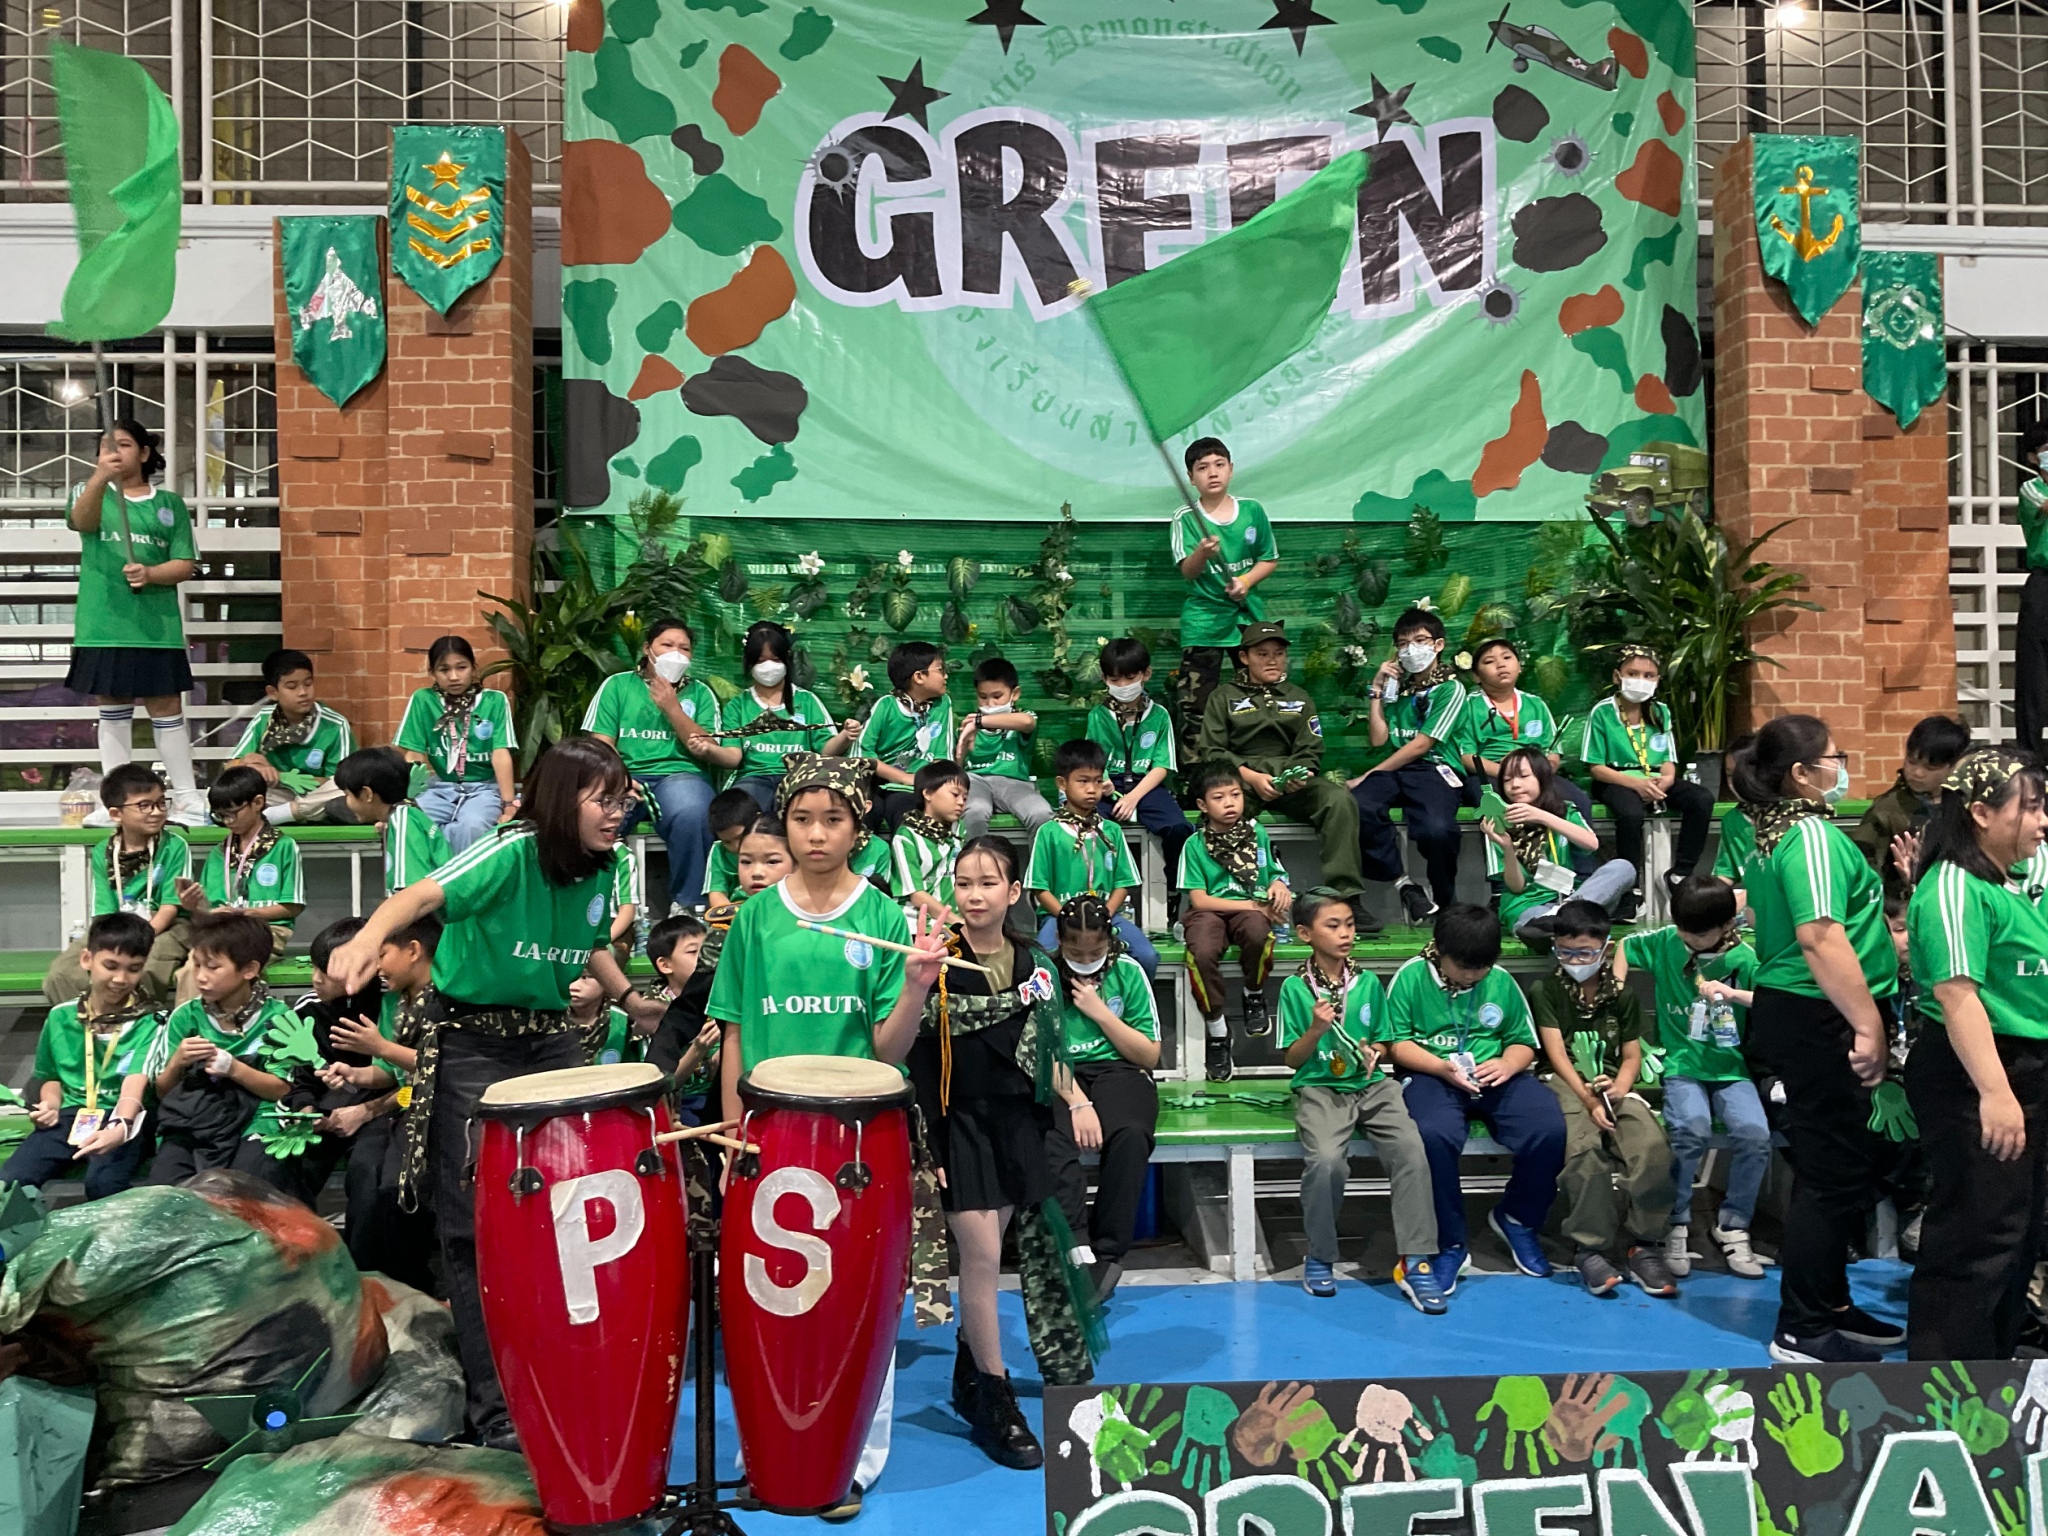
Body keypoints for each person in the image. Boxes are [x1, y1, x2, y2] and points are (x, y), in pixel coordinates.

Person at [322, 736, 663, 1449]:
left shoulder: (603, 866)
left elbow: (591, 944)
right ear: (560, 799)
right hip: (474, 1046)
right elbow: (419, 895)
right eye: (603, 799)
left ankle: (560, 1380)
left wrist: (632, 1000)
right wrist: (364, 941)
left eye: (622, 799)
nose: (618, 812)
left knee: (560, 1217)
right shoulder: (511, 850)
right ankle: (497, 1410)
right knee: (475, 1227)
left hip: (553, 1043)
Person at [706, 754, 947, 1520]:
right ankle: (762, 1455)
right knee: (765, 1301)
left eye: (833, 820)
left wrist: (916, 988)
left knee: (858, 1302)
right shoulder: (755, 919)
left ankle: (853, 1462)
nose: (816, 834)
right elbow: (733, 1033)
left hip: (855, 1140)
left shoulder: (880, 918)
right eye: (803, 819)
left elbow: (887, 1051)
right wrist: (731, 1137)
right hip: (770, 1135)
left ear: (858, 828)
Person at [907, 835, 1088, 1470]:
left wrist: (1078, 1101)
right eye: (963, 883)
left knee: (996, 1253)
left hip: (1017, 1124)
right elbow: (918, 1059)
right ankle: (995, 1395)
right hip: (956, 1125)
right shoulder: (938, 962)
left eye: (988, 883)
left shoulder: (1035, 964)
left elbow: (1045, 1048)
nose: (974, 895)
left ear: (1013, 892)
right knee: (982, 1257)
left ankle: (968, 1366)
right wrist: (927, 1141)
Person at [1733, 715, 1906, 1364]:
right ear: (1802, 773)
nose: (1843, 767)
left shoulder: (1784, 830)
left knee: (1845, 1164)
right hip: (1819, 1013)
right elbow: (1820, 937)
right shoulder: (1806, 835)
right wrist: (1867, 1024)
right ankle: (1802, 1329)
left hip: (1817, 1008)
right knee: (1830, 1173)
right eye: (1835, 756)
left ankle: (1831, 1301)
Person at [1905, 748, 2048, 1360]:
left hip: (2026, 1067)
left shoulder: (2009, 881)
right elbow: (1957, 996)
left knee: (2019, 1231)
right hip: (1978, 1071)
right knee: (1976, 1234)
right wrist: (1995, 1092)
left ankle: (1995, 1366)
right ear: (1982, 813)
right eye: (2031, 807)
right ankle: (1945, 1381)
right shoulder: (1954, 888)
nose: (2043, 820)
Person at [1383, 903, 1566, 1285]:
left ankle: (1517, 1218)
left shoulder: (1500, 981)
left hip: (1496, 1075)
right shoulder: (1411, 977)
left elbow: (1523, 1042)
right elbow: (1396, 1044)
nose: (1472, 975)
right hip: (1432, 1074)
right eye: (1463, 967)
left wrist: (1508, 1063)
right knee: (1432, 1135)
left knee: (1548, 1127)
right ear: (1439, 950)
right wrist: (1440, 1068)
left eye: (1481, 967)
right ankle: (1450, 1243)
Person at [1278, 888, 1443, 1310]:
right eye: (1333, 926)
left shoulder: (1367, 982)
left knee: (1411, 1151)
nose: (1346, 934)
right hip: (1320, 1087)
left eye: (1350, 925)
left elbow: (1385, 1041)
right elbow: (1293, 1059)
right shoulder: (1295, 989)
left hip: (1373, 1086)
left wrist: (1375, 1052)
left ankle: (1416, 1259)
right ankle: (1320, 1255)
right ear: (1305, 934)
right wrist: (1316, 1030)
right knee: (1326, 1162)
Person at [1617, 876, 1772, 1280]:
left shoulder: (1745, 959)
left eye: (1699, 934)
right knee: (1690, 1129)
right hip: (1682, 1064)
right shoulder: (1667, 942)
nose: (1689, 938)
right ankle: (1677, 1220)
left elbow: (1772, 1001)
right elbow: (1624, 946)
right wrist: (1616, 993)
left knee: (1755, 1135)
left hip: (1731, 1068)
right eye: (1683, 929)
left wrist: (1734, 995)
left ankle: (1733, 1226)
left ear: (1727, 925)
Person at [1530, 900, 1676, 1297]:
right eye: (1565, 952)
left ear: (1605, 949)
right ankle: (1589, 1247)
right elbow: (1557, 1055)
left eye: (1585, 953)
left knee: (1651, 1147)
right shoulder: (1546, 990)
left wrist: (1620, 1088)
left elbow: (1631, 1056)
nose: (1575, 961)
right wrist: (1589, 1100)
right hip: (1565, 1082)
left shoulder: (1621, 995)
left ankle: (1643, 1244)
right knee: (1584, 1150)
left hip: (1612, 1083)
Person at [66, 418, 205, 826]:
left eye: (123, 444)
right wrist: (99, 478)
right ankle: (116, 802)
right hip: (104, 625)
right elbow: (82, 522)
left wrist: (151, 573)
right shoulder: (88, 492)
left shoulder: (170, 504)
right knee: (112, 707)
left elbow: (185, 563)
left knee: (166, 706)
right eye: (105, 446)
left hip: (157, 628)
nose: (113, 452)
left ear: (144, 453)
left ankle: (187, 798)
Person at [1198, 621, 1368, 923]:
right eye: (1262, 654)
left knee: (1338, 800)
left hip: (1292, 781)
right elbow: (1212, 750)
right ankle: (1226, 901)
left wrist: (1300, 775)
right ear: (1244, 657)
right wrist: (1250, 777)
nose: (1272, 660)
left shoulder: (1298, 696)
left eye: (1278, 653)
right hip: (1242, 782)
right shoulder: (1223, 697)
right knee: (1220, 806)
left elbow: (1311, 747)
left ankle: (1347, 900)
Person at [1045, 893, 1161, 1307]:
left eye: (1094, 952)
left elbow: (1148, 1054)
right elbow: (1041, 1051)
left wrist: (1100, 1013)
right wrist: (1078, 1104)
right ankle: (1075, 1245)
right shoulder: (1043, 977)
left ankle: (1109, 1252)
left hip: (1119, 1070)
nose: (1085, 959)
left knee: (1131, 1134)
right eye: (1075, 952)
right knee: (1050, 1137)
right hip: (1059, 1075)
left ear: (1109, 941)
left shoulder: (1128, 972)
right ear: (1059, 942)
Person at [1, 912, 160, 1199]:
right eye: (110, 966)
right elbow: (51, 1077)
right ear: (87, 959)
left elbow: (134, 1085)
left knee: (103, 1182)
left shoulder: (152, 1021)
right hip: (71, 1115)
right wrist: (50, 1105)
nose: (121, 979)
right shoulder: (60, 1017)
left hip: (127, 1118)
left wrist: (120, 1127)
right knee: (11, 1181)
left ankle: (119, 1230)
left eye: (134, 969)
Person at [322, 914, 438, 1295]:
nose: (377, 967)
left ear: (413, 951)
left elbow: (438, 1067)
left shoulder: (449, 1001)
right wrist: (354, 1074)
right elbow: (391, 1073)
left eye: (382, 955)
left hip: (433, 1109)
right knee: (363, 1171)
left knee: (395, 1187)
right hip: (400, 1105)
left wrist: (381, 1047)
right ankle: (363, 1281)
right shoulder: (393, 1002)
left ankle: (412, 1286)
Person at [147, 910, 302, 1188]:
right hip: (193, 1121)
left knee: (244, 1185)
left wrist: (234, 1068)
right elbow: (163, 1092)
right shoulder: (185, 1017)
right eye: (196, 965)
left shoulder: (280, 1018)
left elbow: (283, 1090)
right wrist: (177, 1062)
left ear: (249, 970)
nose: (200, 977)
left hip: (257, 1121)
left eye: (212, 967)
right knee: (166, 1188)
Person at [581, 616, 722, 909]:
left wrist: (672, 707)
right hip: (623, 774)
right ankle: (593, 904)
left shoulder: (701, 693)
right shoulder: (617, 686)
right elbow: (601, 744)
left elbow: (706, 747)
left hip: (680, 775)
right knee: (593, 813)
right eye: (667, 645)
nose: (676, 654)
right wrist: (620, 778)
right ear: (647, 648)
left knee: (693, 812)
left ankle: (690, 907)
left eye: (684, 648)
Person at [1353, 607, 1472, 924]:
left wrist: (1370, 773)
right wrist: (1377, 690)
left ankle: (1446, 901)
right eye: (1403, 644)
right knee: (1357, 804)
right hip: (1397, 770)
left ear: (1438, 645)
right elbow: (1379, 739)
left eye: (1420, 640)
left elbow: (1422, 745)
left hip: (1434, 769)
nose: (1411, 650)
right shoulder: (1400, 690)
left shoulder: (1451, 689)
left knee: (1438, 830)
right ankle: (1405, 885)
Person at [1577, 646, 1714, 918]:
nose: (1640, 680)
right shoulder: (1602, 712)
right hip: (1616, 778)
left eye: (1648, 675)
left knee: (1701, 799)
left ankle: (1681, 872)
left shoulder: (1661, 711)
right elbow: (1596, 767)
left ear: (1657, 680)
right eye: (1633, 673)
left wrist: (1667, 780)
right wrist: (1635, 784)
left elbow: (1668, 759)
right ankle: (1630, 889)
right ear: (1617, 676)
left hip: (1654, 778)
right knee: (1630, 814)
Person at [1179, 762, 1290, 1080]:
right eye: (1219, 797)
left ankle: (1253, 993)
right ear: (1202, 805)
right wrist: (1253, 905)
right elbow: (1200, 900)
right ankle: (1217, 1030)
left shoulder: (1258, 833)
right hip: (1210, 911)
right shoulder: (1194, 844)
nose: (1229, 803)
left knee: (1257, 933)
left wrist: (1278, 885)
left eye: (1235, 795)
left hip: (1251, 909)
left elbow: (1274, 871)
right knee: (1202, 951)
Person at [43, 763, 190, 1006]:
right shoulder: (103, 851)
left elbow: (169, 907)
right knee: (61, 974)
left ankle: (138, 1024)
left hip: (165, 927)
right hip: (117, 928)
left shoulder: (174, 846)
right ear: (115, 814)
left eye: (161, 803)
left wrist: (138, 939)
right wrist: (114, 942)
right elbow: (104, 911)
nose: (156, 812)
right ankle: (87, 1024)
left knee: (144, 970)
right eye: (144, 805)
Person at [1170, 437, 1278, 747]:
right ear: (1191, 477)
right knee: (1196, 708)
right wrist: (1202, 553)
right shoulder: (1185, 518)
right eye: (1202, 468)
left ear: (1231, 468)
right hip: (1204, 622)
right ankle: (1198, 773)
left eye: (1219, 465)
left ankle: (1258, 766)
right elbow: (1188, 571)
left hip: (1247, 618)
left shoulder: (1252, 510)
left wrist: (1245, 581)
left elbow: (1269, 559)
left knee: (1260, 699)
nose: (1212, 473)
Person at [690, 619, 855, 812]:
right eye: (761, 661)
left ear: (786, 660)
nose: (769, 666)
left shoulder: (807, 701)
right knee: (737, 811)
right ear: (749, 662)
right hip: (753, 779)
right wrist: (708, 750)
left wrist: (845, 736)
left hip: (801, 778)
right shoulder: (738, 706)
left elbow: (825, 751)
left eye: (776, 660)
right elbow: (733, 757)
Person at [1028, 739, 1157, 978]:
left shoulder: (1112, 831)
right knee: (1042, 960)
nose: (1092, 789)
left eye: (1098, 781)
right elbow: (1039, 888)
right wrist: (1067, 918)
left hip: (1106, 915)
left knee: (1147, 956)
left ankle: (1129, 1001)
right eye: (1083, 781)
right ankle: (1059, 1003)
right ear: (1062, 784)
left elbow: (1124, 883)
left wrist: (1105, 915)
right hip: (1059, 917)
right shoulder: (1049, 832)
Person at [1479, 747, 1634, 943]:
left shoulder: (1565, 810)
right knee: (1529, 923)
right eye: (1507, 780)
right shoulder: (1497, 823)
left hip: (1575, 897)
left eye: (1524, 776)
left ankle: (1562, 917)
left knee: (1623, 867)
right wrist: (1508, 847)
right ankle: (1564, 922)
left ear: (1542, 778)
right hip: (1528, 904)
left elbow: (1591, 844)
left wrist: (1542, 816)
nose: (1515, 785)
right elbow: (1516, 887)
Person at [1455, 637, 1596, 829]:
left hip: (1536, 774)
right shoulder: (1468, 707)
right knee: (1499, 808)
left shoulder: (1536, 704)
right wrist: (1509, 774)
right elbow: (1467, 756)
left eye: (1507, 657)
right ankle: (1510, 850)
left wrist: (1543, 770)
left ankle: (1579, 849)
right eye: (1489, 661)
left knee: (1578, 802)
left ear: (1519, 667)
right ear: (1476, 676)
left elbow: (1552, 749)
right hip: (1490, 775)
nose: (1500, 665)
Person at [396, 636, 519, 854]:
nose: (453, 677)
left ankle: (465, 877)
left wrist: (508, 805)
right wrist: (404, 800)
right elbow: (414, 755)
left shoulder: (495, 701)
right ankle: (425, 876)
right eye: (444, 670)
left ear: (473, 668)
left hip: (484, 789)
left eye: (461, 667)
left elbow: (500, 754)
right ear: (432, 672)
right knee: (409, 821)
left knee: (473, 825)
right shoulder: (423, 700)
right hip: (439, 787)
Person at [1088, 637, 1190, 900]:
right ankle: (1098, 893)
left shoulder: (1159, 715)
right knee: (1092, 827)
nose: (1122, 686)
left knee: (1179, 827)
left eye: (1130, 678)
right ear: (1104, 678)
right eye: (1114, 679)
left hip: (1147, 787)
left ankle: (1174, 890)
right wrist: (1103, 782)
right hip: (1109, 786)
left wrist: (1133, 798)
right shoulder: (1098, 716)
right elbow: (1093, 759)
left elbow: (1162, 766)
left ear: (1146, 674)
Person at [175, 765, 305, 969]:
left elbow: (293, 906)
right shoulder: (219, 852)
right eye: (220, 815)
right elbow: (209, 911)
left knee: (221, 963)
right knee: (195, 965)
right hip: (222, 931)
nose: (228, 821)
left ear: (257, 803)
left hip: (267, 930)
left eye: (233, 813)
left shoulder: (283, 847)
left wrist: (251, 913)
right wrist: (194, 907)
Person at [226, 648, 358, 825]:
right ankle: (291, 814)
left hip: (317, 797)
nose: (303, 692)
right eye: (292, 687)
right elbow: (230, 768)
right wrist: (253, 766)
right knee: (230, 791)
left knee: (343, 793)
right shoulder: (262, 719)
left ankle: (283, 814)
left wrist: (289, 778)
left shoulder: (335, 724)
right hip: (277, 795)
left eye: (308, 684)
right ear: (272, 692)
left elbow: (342, 782)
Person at [1850, 714, 1972, 902]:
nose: (1917, 773)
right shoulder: (1887, 810)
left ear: (1953, 767)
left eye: (1930, 767)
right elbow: (1862, 869)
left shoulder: (1968, 806)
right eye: (1911, 761)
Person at [955, 656, 1054, 841]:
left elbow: (1027, 722)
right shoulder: (967, 724)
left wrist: (980, 722)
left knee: (1041, 814)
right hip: (975, 781)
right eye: (983, 697)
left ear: (1014, 694)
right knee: (975, 811)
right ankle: (975, 859)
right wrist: (963, 746)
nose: (990, 704)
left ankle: (1038, 861)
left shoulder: (1021, 718)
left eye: (997, 696)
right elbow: (957, 767)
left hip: (1015, 784)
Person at [863, 641, 956, 835]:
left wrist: (925, 783)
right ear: (919, 677)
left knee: (910, 817)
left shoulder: (943, 704)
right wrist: (905, 778)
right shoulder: (886, 706)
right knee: (867, 815)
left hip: (915, 789)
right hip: (877, 784)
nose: (946, 676)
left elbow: (941, 758)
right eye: (940, 670)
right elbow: (864, 756)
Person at [337, 745, 451, 897]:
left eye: (347, 795)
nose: (346, 802)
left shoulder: (403, 820)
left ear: (366, 794)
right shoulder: (404, 815)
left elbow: (411, 893)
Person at [892, 759, 968, 923]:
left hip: (953, 921)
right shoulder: (906, 837)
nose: (961, 802)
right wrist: (958, 922)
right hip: (916, 923)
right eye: (955, 794)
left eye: (965, 797)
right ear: (927, 794)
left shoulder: (959, 829)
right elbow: (917, 895)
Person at [2015, 419, 2048, 755]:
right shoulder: (2032, 488)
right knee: (2035, 670)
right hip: (2044, 582)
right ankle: (2030, 753)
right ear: (2033, 457)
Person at [1711, 733, 1762, 896]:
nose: (1735, 782)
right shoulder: (1732, 820)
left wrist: (1747, 899)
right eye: (1729, 774)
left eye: (1742, 774)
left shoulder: (1788, 818)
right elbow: (1726, 873)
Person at [702, 787, 762, 909]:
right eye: (727, 842)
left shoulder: (775, 845)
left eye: (740, 837)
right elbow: (717, 893)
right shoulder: (718, 851)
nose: (736, 847)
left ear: (758, 820)